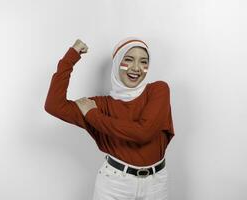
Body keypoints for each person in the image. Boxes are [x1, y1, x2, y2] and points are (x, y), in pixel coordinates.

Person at [44, 36, 175, 200]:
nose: (136, 68)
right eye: (128, 60)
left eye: (143, 62)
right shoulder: (100, 105)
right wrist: (71, 57)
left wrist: (93, 116)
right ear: (117, 62)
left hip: (156, 185)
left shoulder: (158, 90)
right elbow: (54, 105)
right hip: (115, 184)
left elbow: (143, 133)